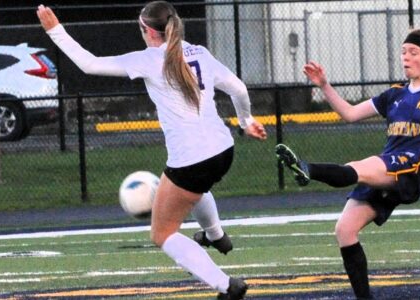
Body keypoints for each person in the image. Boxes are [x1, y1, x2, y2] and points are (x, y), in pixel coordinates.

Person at [37, 2, 267, 299]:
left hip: (192, 159)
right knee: (194, 187)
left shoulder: (147, 59)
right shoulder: (199, 52)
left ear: (148, 31)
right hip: (224, 149)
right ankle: (216, 236)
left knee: (163, 233)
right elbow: (238, 89)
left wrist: (55, 30)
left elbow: (89, 64)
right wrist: (246, 121)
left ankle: (227, 286)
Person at [276, 29, 420, 299]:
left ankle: (307, 169)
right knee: (345, 230)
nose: (406, 57)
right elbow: (349, 113)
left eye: (413, 52)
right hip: (386, 167)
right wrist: (324, 85)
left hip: (409, 168)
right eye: (403, 52)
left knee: (360, 166)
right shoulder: (394, 94)